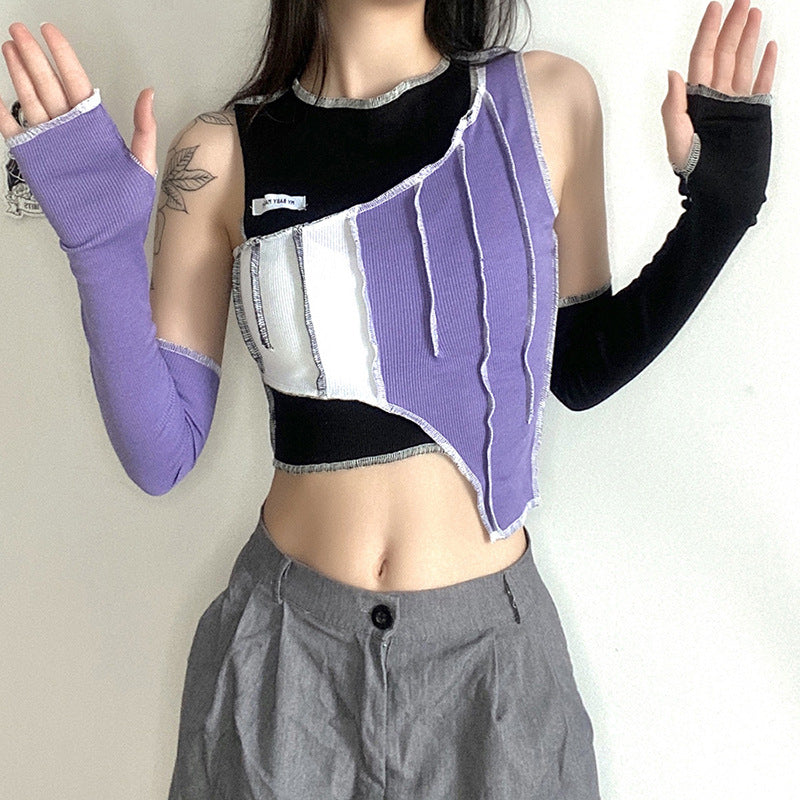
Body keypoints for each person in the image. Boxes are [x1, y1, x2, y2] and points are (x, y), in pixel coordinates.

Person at [0, 1, 776, 797]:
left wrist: (719, 213)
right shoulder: (219, 153)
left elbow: (580, 367)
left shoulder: (546, 99)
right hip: (282, 670)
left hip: (492, 684)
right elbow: (161, 453)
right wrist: (99, 242)